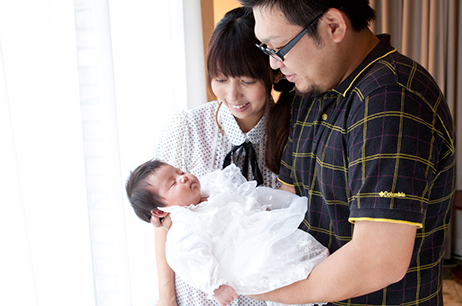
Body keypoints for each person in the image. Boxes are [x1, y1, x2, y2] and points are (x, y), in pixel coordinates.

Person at [237, 0, 456, 305]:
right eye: (267, 50)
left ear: (333, 26)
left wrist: (264, 292)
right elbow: (290, 200)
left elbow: (378, 260)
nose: (275, 64)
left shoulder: (391, 97)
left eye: (280, 47)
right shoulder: (313, 89)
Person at [150, 7, 295, 306]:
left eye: (246, 80)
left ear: (270, 72)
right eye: (220, 79)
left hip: (267, 295)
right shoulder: (186, 128)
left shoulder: (294, 129)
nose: (232, 94)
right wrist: (166, 297)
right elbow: (163, 221)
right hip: (199, 296)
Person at [126, 160, 328, 306]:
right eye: (173, 183)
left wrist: (256, 209)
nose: (183, 177)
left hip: (256, 233)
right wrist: (217, 287)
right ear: (160, 211)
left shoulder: (211, 187)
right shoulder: (183, 230)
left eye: (179, 172)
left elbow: (237, 200)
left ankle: (317, 265)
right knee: (278, 277)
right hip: (245, 257)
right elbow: (194, 261)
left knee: (289, 249)